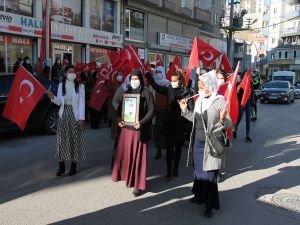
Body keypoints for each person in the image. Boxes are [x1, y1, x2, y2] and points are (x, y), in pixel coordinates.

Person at [178, 70, 232, 218]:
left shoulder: (220, 100)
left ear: (211, 86)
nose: (200, 89)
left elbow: (229, 123)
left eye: (202, 86)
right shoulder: (199, 100)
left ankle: (209, 205)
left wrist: (222, 120)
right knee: (199, 173)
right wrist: (184, 110)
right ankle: (199, 196)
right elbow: (194, 120)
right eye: (199, 87)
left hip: (212, 144)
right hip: (197, 143)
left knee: (209, 176)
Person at [112, 70, 155, 196]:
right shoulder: (127, 92)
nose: (134, 81)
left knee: (138, 159)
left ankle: (138, 185)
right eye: (132, 78)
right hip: (127, 131)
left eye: (136, 78)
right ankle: (129, 179)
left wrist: (141, 122)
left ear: (141, 79)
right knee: (127, 156)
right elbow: (119, 109)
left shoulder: (146, 92)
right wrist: (118, 119)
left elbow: (152, 110)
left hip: (139, 130)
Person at [146, 70, 191, 179]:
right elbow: (156, 87)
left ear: (180, 81)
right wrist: (148, 75)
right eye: (171, 80)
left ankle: (175, 168)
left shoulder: (186, 91)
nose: (172, 82)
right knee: (170, 148)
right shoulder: (169, 89)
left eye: (174, 81)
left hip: (181, 122)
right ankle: (169, 171)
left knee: (178, 148)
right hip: (169, 122)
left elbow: (189, 105)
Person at [46, 65, 86, 176]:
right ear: (65, 74)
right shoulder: (61, 85)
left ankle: (73, 166)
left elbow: (82, 103)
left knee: (75, 141)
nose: (72, 73)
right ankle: (61, 167)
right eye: (70, 71)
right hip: (63, 115)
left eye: (74, 72)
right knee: (61, 142)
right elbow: (59, 102)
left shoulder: (80, 86)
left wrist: (82, 119)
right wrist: (52, 97)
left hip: (75, 116)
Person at [151, 66, 170, 160]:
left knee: (166, 132)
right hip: (156, 111)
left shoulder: (168, 84)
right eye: (156, 71)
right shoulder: (152, 85)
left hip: (165, 112)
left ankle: (168, 150)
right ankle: (158, 151)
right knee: (157, 132)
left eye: (159, 71)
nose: (158, 73)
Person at [235, 72, 252, 143]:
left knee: (248, 119)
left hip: (248, 103)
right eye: (245, 75)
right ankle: (235, 129)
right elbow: (236, 94)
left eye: (248, 75)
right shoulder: (240, 84)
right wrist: (238, 89)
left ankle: (247, 135)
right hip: (241, 103)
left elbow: (252, 93)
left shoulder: (250, 84)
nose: (247, 77)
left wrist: (253, 102)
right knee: (239, 118)